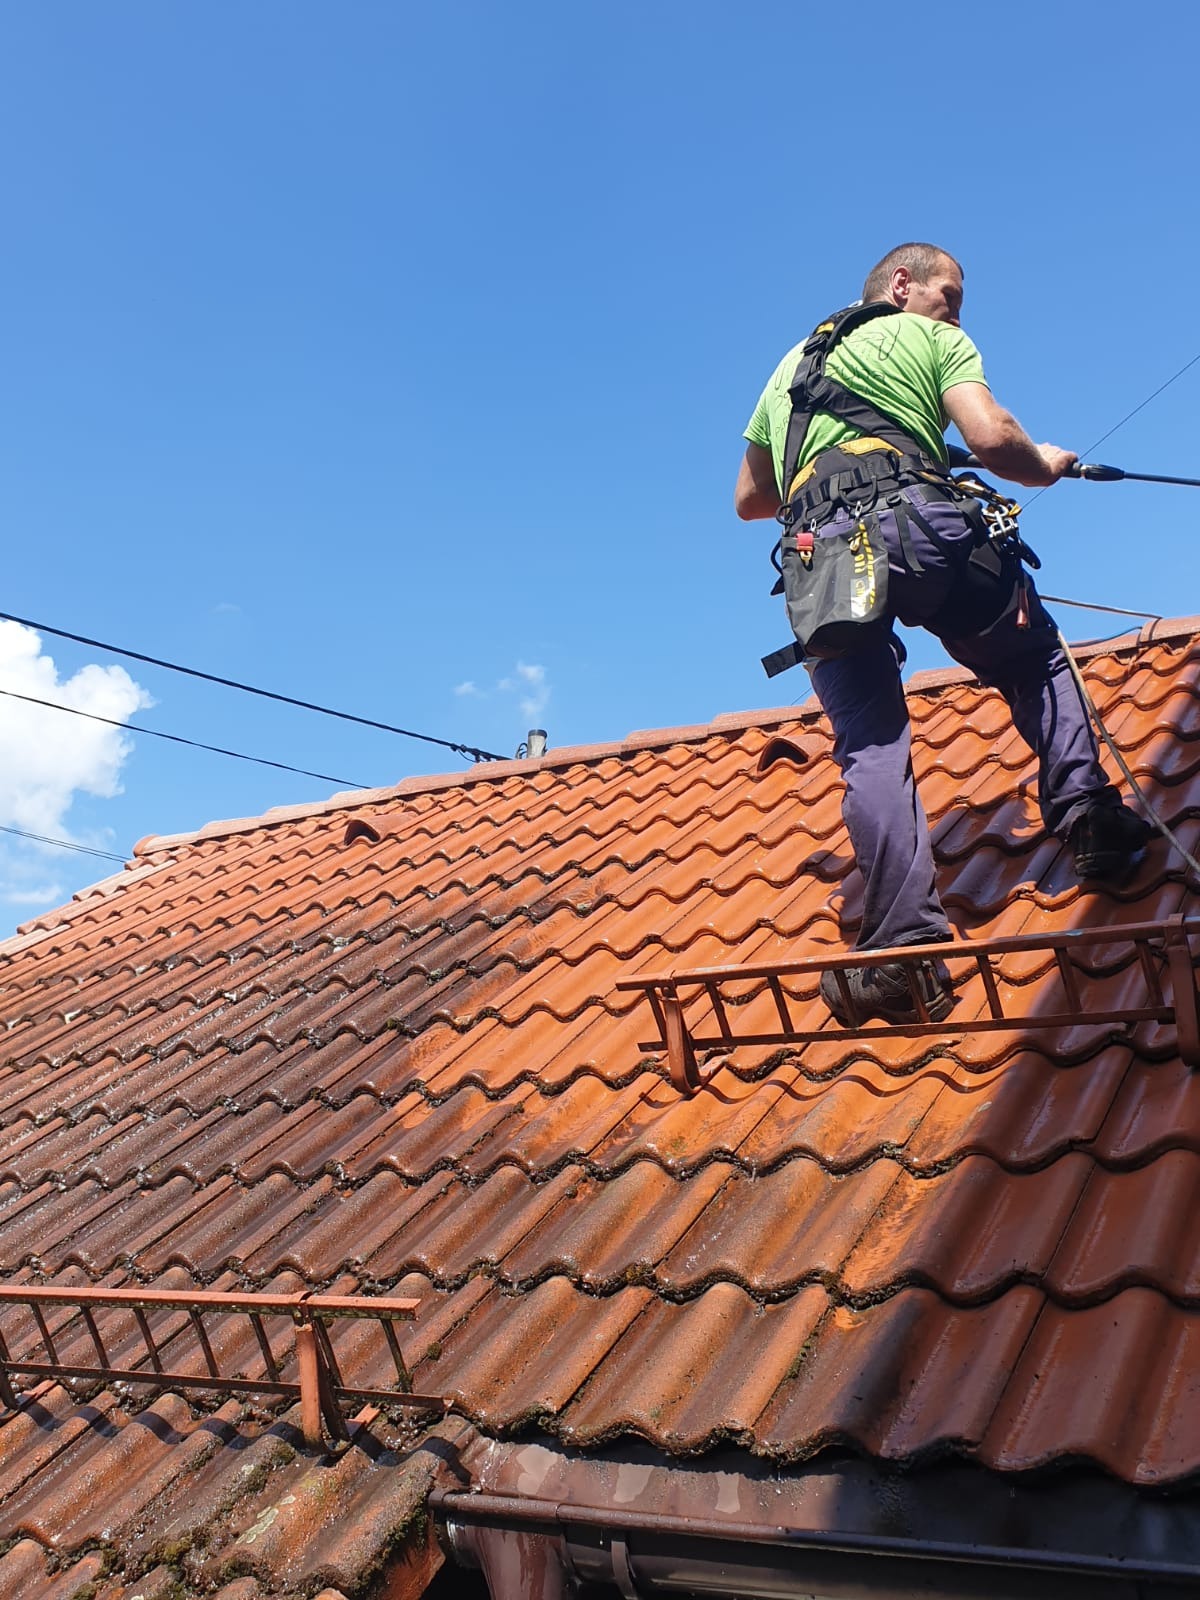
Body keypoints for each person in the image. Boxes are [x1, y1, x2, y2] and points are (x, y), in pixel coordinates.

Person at [734, 242, 1150, 1027]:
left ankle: (903, 951)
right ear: (903, 285)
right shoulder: (931, 337)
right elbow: (993, 439)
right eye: (949, 295)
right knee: (1031, 657)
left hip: (819, 559)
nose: (956, 311)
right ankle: (1091, 820)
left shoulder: (787, 369)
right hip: (921, 527)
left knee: (869, 744)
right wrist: (1042, 464)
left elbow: (752, 499)